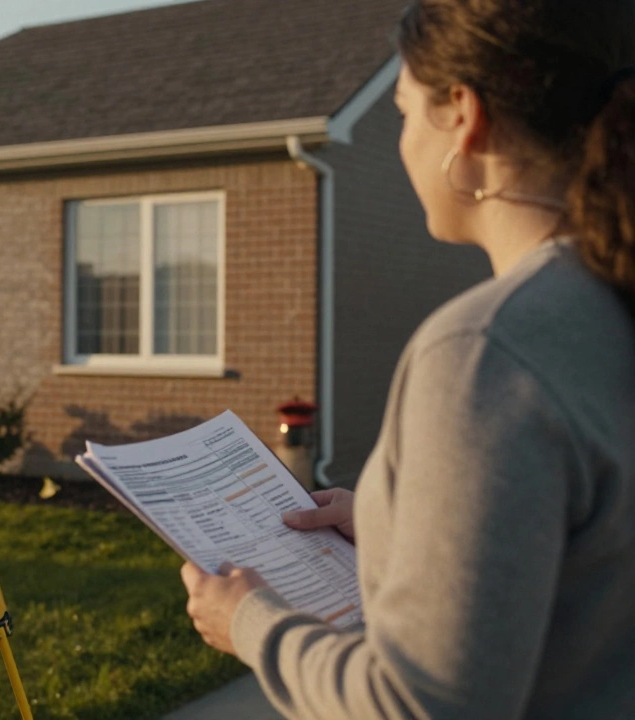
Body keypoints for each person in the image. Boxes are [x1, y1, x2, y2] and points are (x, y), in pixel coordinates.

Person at [180, 1, 635, 717]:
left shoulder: (487, 350)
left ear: (463, 114)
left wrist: (250, 622)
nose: (401, 142)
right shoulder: (608, 299)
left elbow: (422, 705)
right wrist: (399, 529)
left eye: (402, 111)